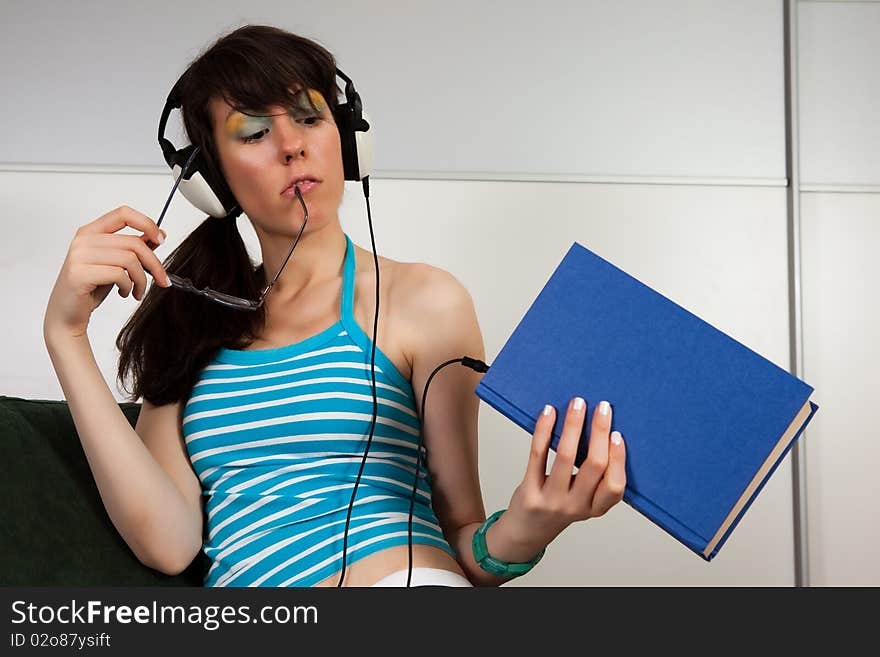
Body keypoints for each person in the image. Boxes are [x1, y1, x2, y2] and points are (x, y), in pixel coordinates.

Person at [42, 24, 627, 587]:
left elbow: (464, 541)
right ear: (211, 180)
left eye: (308, 118)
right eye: (253, 133)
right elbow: (168, 545)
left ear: (345, 139)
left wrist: (532, 524)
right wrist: (65, 338)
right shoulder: (190, 322)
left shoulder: (425, 301)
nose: (292, 146)